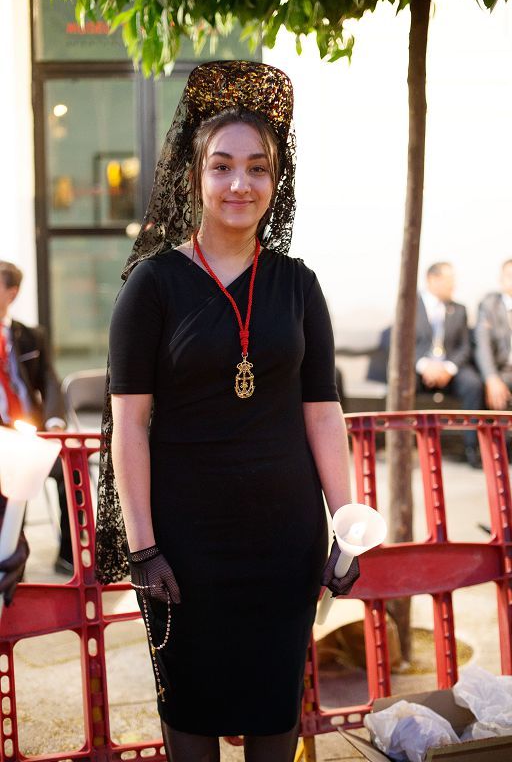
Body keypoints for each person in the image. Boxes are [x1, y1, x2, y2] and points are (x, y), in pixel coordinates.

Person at [95, 61, 360, 762]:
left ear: (277, 181)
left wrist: (350, 523)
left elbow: (322, 411)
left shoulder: (299, 285)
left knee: (277, 710)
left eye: (257, 168)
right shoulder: (152, 286)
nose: (239, 183)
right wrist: (144, 546)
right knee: (192, 710)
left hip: (284, 538)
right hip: (184, 544)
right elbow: (129, 426)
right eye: (222, 167)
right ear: (195, 176)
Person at [0, 261, 72, 574]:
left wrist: (55, 423)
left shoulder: (30, 336)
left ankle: (70, 556)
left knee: (71, 472)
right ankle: (12, 563)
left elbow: (50, 382)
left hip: (30, 434)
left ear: (11, 293)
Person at [415, 262, 483, 467]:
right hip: (420, 370)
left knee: (473, 384)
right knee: (401, 385)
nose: (453, 285)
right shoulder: (410, 305)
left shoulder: (459, 310)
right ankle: (406, 446)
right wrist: (424, 365)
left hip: (450, 369)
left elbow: (464, 347)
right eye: (448, 279)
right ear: (432, 279)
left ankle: (472, 448)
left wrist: (448, 368)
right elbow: (402, 344)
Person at [474, 259, 512, 410]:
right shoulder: (489, 305)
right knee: (489, 388)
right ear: (501, 279)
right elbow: (483, 345)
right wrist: (491, 377)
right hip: (501, 371)